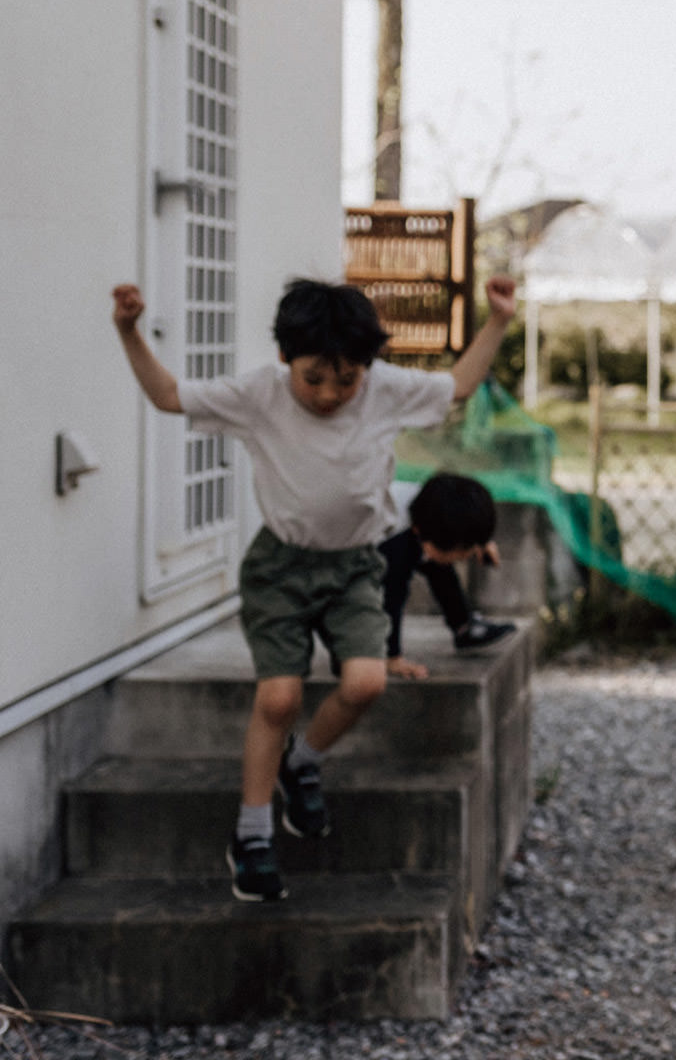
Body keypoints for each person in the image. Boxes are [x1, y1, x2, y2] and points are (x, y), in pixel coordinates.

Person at [110, 274, 517, 902]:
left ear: (367, 368)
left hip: (355, 567)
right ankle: (252, 836)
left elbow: (459, 385)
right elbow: (167, 395)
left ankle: (301, 762)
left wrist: (498, 320)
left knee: (366, 682)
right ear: (285, 358)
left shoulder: (385, 390)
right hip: (281, 568)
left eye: (346, 380)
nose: (329, 394)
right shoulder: (259, 393)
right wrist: (129, 331)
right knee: (278, 697)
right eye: (314, 379)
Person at [377, 472, 518, 681]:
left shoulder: (432, 506)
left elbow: (459, 517)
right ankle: (462, 627)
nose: (465, 557)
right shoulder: (396, 543)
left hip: (407, 532)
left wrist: (480, 540)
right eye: (463, 552)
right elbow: (391, 601)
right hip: (346, 550)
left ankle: (464, 627)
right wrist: (392, 657)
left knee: (438, 562)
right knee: (433, 566)